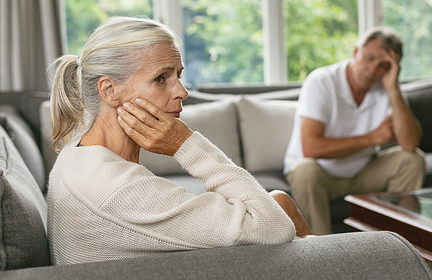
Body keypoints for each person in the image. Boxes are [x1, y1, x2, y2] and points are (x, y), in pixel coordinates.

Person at [47, 16, 311, 265]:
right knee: (279, 210)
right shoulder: (117, 189)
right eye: (161, 78)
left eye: (178, 75)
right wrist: (186, 144)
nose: (182, 92)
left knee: (280, 200)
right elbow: (274, 227)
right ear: (109, 90)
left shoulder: (76, 153)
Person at [283, 26, 426, 235]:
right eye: (370, 58)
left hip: (362, 172)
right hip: (321, 174)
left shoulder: (385, 86)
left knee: (412, 160)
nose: (373, 69)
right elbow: (311, 147)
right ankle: (321, 256)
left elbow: (410, 144)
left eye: (383, 65)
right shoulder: (321, 81)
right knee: (305, 170)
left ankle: (400, 246)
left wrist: (393, 88)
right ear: (355, 51)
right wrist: (372, 138)